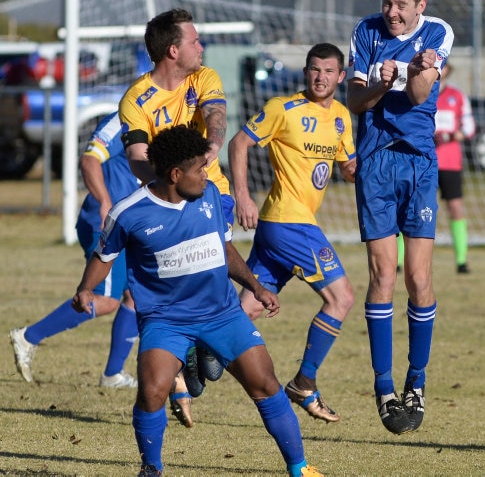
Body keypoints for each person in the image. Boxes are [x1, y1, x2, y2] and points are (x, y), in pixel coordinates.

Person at [72, 125, 322, 477]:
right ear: (175, 174)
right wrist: (85, 289)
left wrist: (257, 286)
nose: (207, 175)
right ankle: (152, 469)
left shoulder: (211, 198)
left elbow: (223, 247)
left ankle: (300, 468)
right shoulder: (129, 212)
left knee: (265, 383)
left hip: (222, 314)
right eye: (199, 169)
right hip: (166, 319)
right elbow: (104, 254)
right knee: (152, 390)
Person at [346, 0, 453, 434]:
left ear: (420, 7)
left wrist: (411, 73)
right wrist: (378, 84)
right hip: (375, 163)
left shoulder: (437, 33)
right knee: (382, 274)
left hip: (419, 163)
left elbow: (420, 93)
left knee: (419, 276)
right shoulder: (365, 31)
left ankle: (417, 383)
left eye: (402, 5)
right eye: (388, 2)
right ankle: (385, 387)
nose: (392, 12)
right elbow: (355, 101)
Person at [228, 42, 357, 424]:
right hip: (289, 222)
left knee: (245, 310)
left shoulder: (341, 118)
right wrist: (242, 196)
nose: (321, 77)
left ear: (341, 77)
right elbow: (239, 142)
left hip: (281, 229)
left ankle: (187, 365)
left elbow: (348, 166)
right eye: (315, 69)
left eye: (329, 71)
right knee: (342, 298)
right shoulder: (282, 109)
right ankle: (304, 382)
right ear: (305, 72)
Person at [119, 7, 232, 428]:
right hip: (164, 201)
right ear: (173, 49)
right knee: (176, 280)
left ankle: (203, 342)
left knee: (215, 266)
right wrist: (169, 189)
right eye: (194, 40)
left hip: (210, 192)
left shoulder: (204, 77)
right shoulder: (135, 100)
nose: (201, 46)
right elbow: (136, 157)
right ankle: (186, 350)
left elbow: (217, 119)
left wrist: (205, 156)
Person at [9, 111, 140, 388]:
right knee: (104, 300)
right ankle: (28, 337)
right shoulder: (123, 120)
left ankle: (113, 374)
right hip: (103, 224)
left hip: (129, 225)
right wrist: (104, 200)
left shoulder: (163, 117)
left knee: (136, 296)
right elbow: (89, 161)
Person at [397, 61, 476, 274]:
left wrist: (449, 136)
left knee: (455, 208)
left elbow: (469, 128)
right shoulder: (416, 94)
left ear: (447, 70)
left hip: (449, 163)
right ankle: (400, 261)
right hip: (421, 160)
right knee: (411, 208)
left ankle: (461, 260)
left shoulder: (457, 97)